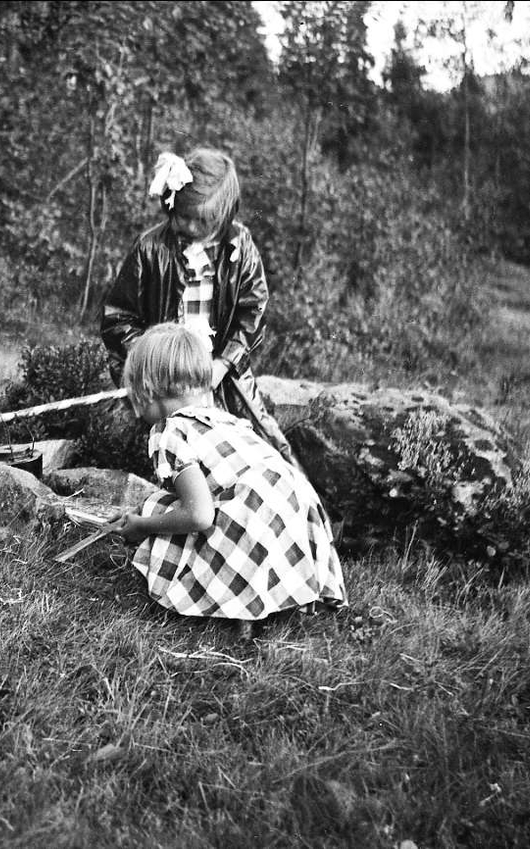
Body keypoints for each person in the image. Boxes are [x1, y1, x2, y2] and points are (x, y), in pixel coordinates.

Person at [107, 323, 345, 623]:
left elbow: (199, 516)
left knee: (162, 508)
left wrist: (142, 525)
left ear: (147, 390)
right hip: (295, 505)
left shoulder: (169, 431)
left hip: (254, 512)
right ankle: (284, 596)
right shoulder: (222, 418)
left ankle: (237, 606)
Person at [100, 147, 296, 462]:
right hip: (166, 376)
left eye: (201, 220)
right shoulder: (151, 249)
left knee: (253, 447)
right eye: (184, 217)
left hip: (218, 373)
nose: (191, 227)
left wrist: (224, 363)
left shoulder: (239, 247)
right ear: (171, 203)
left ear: (223, 214)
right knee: (175, 449)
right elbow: (118, 318)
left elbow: (253, 309)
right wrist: (154, 360)